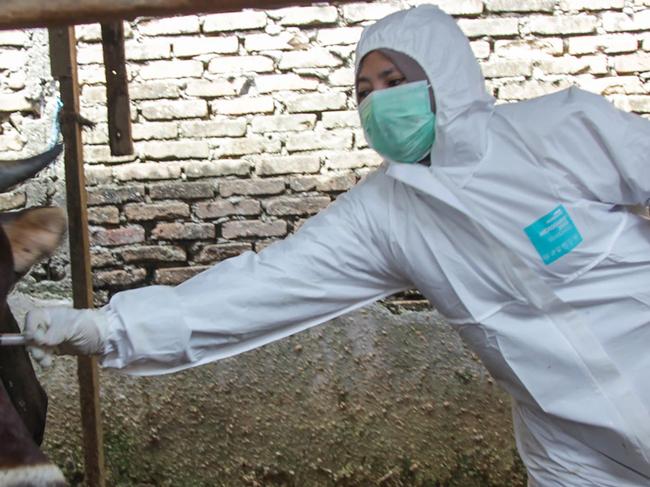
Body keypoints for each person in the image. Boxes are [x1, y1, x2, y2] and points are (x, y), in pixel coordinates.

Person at [25, 5, 650, 486]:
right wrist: (104, 329)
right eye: (363, 91)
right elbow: (262, 288)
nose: (379, 101)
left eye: (395, 79)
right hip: (574, 448)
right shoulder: (384, 213)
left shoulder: (559, 131)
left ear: (447, 78)